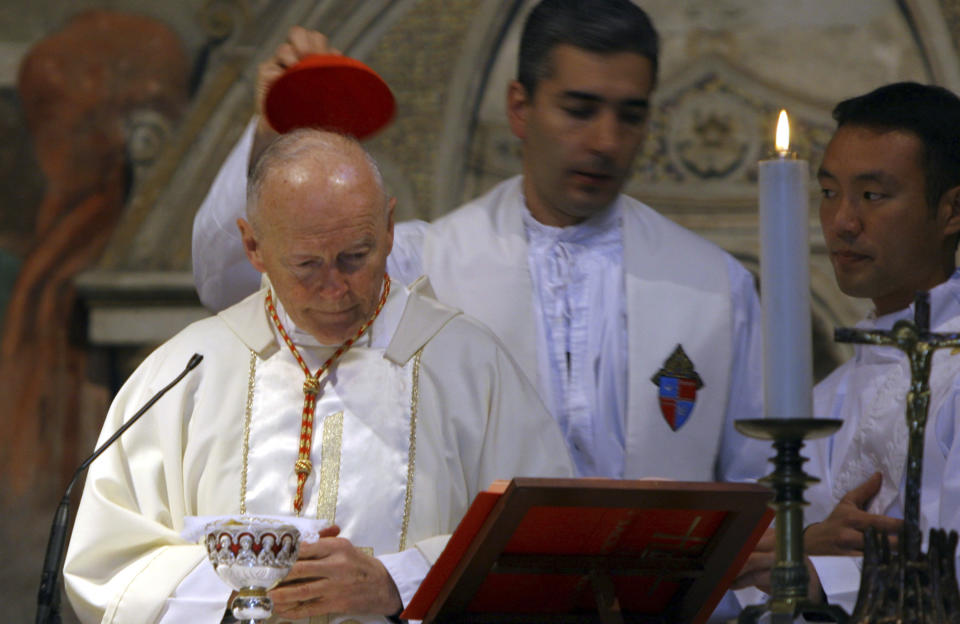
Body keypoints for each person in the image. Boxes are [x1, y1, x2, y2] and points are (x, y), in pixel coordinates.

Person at [192, 0, 767, 483]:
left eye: (630, 115)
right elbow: (227, 279)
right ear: (521, 108)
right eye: (580, 109)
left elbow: (761, 484)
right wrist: (272, 131)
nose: (606, 141)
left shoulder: (714, 286)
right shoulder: (420, 262)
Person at [63, 128, 574, 623]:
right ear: (253, 245)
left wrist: (400, 580)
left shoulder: (468, 367)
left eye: (356, 256)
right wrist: (241, 584)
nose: (335, 288)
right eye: (307, 264)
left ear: (390, 227)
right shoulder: (185, 374)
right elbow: (107, 566)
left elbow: (546, 546)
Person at [734, 82, 960, 614]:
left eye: (872, 195)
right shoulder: (827, 395)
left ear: (952, 211)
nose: (842, 222)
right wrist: (804, 545)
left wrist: (817, 574)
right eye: (830, 192)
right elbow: (742, 565)